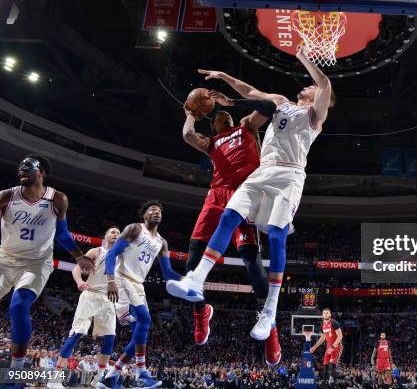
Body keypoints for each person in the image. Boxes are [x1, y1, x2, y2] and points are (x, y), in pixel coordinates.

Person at [167, 45, 335, 344]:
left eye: (310, 88)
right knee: (230, 216)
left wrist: (303, 57)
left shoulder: (315, 115)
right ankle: (196, 277)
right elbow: (252, 90)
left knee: (275, 236)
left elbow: (324, 84)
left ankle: (269, 309)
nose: (307, 86)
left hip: (289, 174)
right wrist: (225, 77)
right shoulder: (281, 102)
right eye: (307, 85)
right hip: (262, 171)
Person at [181, 105, 281, 364]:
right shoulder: (211, 142)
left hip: (244, 194)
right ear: (212, 126)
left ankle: (268, 324)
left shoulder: (246, 126)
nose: (220, 117)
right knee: (192, 262)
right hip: (216, 196)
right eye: (216, 118)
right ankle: (201, 312)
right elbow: (187, 135)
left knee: (251, 260)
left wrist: (229, 98)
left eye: (224, 115)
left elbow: (268, 108)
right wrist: (191, 112)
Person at [0, 155, 94, 371]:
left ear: (40, 171)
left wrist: (78, 255)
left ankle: (17, 369)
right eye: (20, 168)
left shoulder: (57, 199)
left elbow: (61, 234)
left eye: (27, 167)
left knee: (19, 304)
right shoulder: (6, 197)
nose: (21, 171)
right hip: (5, 258)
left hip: (37, 262)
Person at [97, 201, 181, 389]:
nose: (157, 212)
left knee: (138, 336)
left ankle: (111, 377)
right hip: (121, 278)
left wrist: (188, 279)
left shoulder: (162, 242)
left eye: (160, 211)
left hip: (138, 285)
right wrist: (110, 280)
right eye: (152, 210)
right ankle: (141, 374)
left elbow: (167, 273)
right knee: (145, 319)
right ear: (144, 215)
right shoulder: (135, 229)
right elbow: (112, 254)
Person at [53, 227, 121, 387]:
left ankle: (99, 377)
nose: (115, 235)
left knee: (110, 337)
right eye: (112, 232)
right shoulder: (96, 251)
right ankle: (54, 378)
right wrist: (79, 282)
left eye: (118, 233)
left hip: (108, 299)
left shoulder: (122, 256)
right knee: (77, 334)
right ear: (105, 235)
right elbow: (76, 268)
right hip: (90, 295)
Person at [310, 308, 343, 386]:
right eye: (324, 313)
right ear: (322, 315)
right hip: (328, 347)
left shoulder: (334, 323)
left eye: (327, 313)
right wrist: (314, 347)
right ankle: (324, 382)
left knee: (332, 366)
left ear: (330, 314)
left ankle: (334, 383)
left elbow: (340, 336)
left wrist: (333, 346)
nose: (325, 314)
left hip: (336, 346)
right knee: (325, 367)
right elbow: (322, 338)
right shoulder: (323, 325)